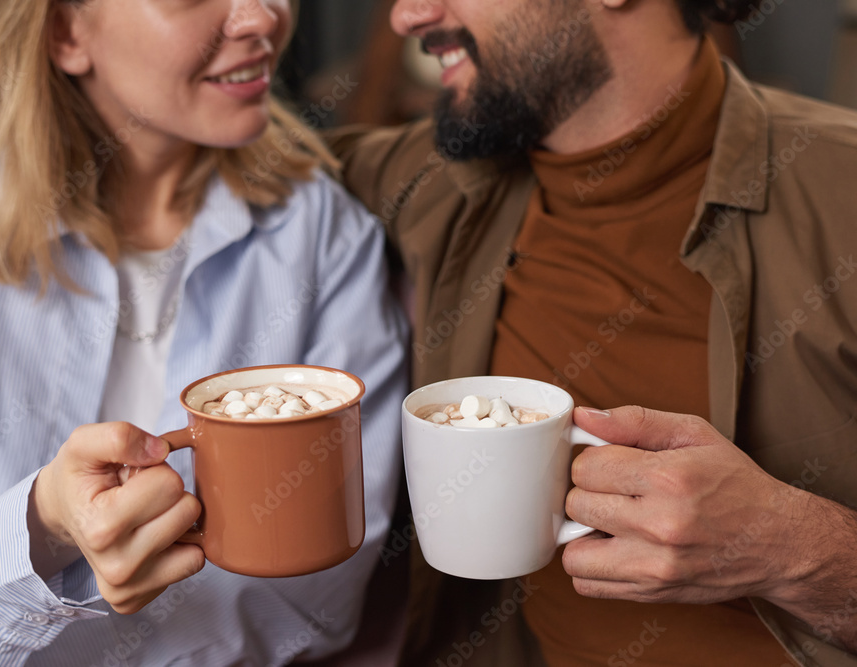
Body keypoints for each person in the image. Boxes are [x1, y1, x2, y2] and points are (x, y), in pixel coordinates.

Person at [0, 0, 407, 664]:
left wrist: (21, 595)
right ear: (65, 32)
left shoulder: (324, 237)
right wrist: (41, 528)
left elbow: (314, 598)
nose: (263, 16)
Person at [329, 0, 857, 665]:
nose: (408, 15)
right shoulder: (435, 182)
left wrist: (794, 548)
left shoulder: (843, 194)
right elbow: (240, 160)